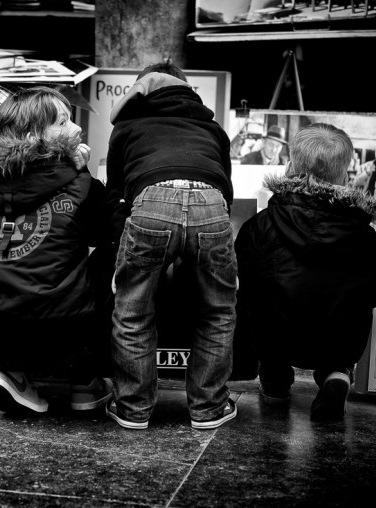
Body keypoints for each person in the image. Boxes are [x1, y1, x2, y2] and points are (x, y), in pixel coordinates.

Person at [104, 61, 237, 430]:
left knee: (132, 312)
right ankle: (209, 408)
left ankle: (133, 408)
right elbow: (225, 189)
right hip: (210, 204)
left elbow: (116, 195)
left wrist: (122, 251)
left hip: (150, 202)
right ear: (185, 89)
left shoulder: (128, 126)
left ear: (142, 89)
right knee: (218, 312)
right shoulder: (212, 127)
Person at [0, 86, 113, 415]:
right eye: (63, 122)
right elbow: (105, 232)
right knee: (114, 254)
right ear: (35, 136)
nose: (76, 129)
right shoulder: (80, 185)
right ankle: (84, 380)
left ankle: (10, 372)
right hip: (60, 336)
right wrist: (82, 174)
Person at [235, 123, 376, 420]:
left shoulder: (261, 225)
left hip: (278, 337)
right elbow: (375, 291)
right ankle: (336, 374)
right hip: (338, 339)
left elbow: (242, 281)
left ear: (290, 168)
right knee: (351, 311)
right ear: (345, 175)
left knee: (259, 302)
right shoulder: (362, 233)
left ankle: (275, 382)